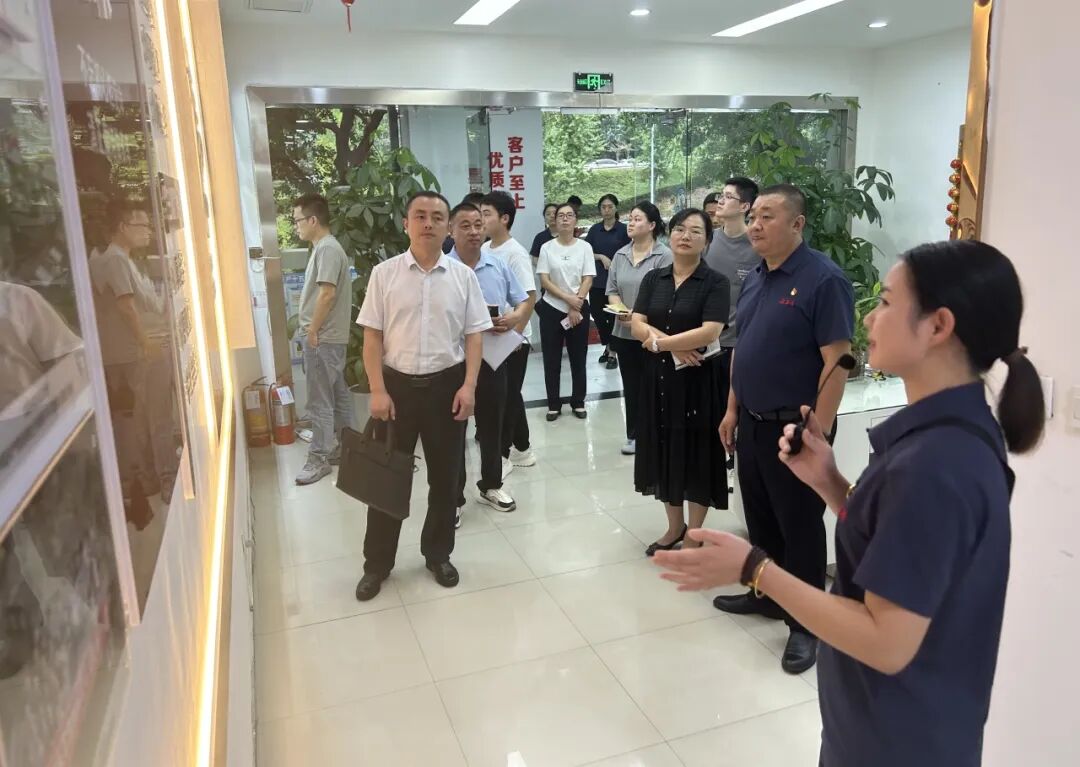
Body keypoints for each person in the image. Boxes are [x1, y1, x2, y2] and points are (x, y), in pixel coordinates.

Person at [655, 239, 1044, 767]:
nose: (868, 318)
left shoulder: (936, 463)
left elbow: (887, 641)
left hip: (899, 741)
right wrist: (830, 483)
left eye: (885, 302)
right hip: (882, 722)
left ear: (937, 326)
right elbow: (899, 539)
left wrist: (755, 568)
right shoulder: (947, 433)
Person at [713, 184, 855, 674]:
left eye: (767, 216)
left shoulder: (823, 280)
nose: (754, 225)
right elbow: (741, 347)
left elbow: (838, 363)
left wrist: (818, 434)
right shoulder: (756, 277)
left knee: (800, 529)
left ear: (797, 224)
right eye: (752, 215)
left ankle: (806, 625)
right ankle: (768, 596)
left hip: (796, 431)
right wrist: (732, 408)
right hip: (752, 423)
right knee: (762, 519)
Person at [354, 191, 492, 602]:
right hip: (395, 391)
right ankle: (377, 564)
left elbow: (474, 336)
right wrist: (377, 390)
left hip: (446, 388)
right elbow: (372, 337)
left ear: (447, 226)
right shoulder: (385, 274)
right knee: (386, 481)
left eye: (436, 217)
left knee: (445, 481)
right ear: (406, 223)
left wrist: (469, 386)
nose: (428, 223)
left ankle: (438, 554)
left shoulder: (463, 277)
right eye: (420, 215)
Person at [632, 209, 730, 556]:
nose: (685, 236)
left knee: (696, 452)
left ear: (707, 240)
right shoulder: (653, 278)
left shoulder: (715, 282)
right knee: (663, 448)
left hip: (698, 381)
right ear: (669, 235)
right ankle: (675, 527)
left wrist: (659, 343)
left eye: (695, 231)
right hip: (658, 378)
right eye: (679, 229)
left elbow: (710, 331)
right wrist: (672, 346)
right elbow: (637, 323)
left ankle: (695, 532)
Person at [88, 200, 176, 513]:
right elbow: (126, 306)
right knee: (157, 416)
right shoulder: (115, 260)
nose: (148, 231)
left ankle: (151, 477)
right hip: (141, 351)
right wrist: (146, 343)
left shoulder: (117, 259)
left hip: (132, 352)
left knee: (142, 418)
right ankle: (167, 478)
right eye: (142, 225)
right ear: (123, 227)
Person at [448, 202, 530, 521]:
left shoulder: (498, 264)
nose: (473, 231)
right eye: (465, 225)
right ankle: (453, 497)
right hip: (454, 362)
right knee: (454, 430)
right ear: (451, 230)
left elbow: (523, 301)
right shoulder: (443, 268)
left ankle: (491, 485)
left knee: (492, 426)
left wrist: (513, 319)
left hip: (493, 359)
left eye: (478, 224)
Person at [292, 193, 354, 486]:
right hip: (330, 337)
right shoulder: (325, 248)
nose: (296, 226)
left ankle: (318, 459)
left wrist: (313, 330)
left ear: (313, 220)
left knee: (320, 401)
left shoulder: (327, 249)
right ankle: (345, 449)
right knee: (338, 394)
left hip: (323, 338)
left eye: (298, 221)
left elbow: (326, 294)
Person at [702, 177, 760, 467]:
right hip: (708, 342)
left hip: (744, 345)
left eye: (727, 197)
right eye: (720, 196)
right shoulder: (708, 241)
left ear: (745, 206)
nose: (720, 201)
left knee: (740, 409)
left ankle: (737, 459)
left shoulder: (758, 245)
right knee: (711, 409)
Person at [606, 202, 671, 455]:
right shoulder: (620, 255)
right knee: (632, 387)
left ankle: (658, 434)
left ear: (652, 225)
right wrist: (621, 310)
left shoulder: (664, 256)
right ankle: (634, 435)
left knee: (656, 386)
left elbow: (667, 293)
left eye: (637, 219)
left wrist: (638, 315)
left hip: (653, 333)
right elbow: (612, 290)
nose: (631, 223)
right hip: (624, 332)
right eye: (630, 219)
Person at [480, 191, 538, 474]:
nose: (481, 219)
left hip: (513, 339)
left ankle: (502, 457)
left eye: (486, 214)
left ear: (504, 218)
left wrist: (515, 335)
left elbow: (529, 297)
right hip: (492, 336)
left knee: (505, 398)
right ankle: (523, 449)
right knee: (509, 394)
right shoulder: (485, 248)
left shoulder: (515, 253)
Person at [536, 202, 595, 421]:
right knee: (551, 358)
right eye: (561, 215)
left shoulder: (585, 247)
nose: (565, 219)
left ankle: (578, 401)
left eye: (569, 215)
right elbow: (544, 280)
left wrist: (575, 303)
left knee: (578, 357)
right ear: (554, 220)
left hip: (579, 307)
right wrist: (568, 299)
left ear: (575, 220)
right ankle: (553, 404)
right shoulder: (547, 247)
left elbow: (588, 278)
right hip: (552, 307)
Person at [585, 194, 631, 371]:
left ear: (616, 208)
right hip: (597, 281)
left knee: (614, 317)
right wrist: (601, 257)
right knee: (597, 314)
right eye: (603, 207)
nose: (606, 210)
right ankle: (609, 344)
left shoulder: (623, 230)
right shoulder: (595, 230)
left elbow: (631, 251)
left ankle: (612, 352)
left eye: (610, 206)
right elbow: (586, 251)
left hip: (618, 282)